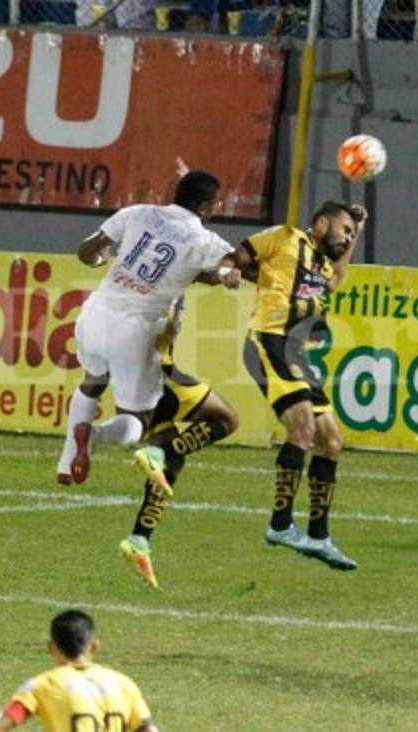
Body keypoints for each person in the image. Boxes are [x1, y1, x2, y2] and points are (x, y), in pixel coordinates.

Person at [53, 171, 240, 491]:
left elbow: (87, 251)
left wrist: (104, 256)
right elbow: (228, 266)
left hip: (95, 315)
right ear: (208, 206)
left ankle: (67, 463)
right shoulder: (203, 240)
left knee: (92, 382)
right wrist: (228, 276)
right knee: (138, 423)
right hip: (134, 332)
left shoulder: (137, 212)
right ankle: (94, 435)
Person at [232, 200, 366, 571]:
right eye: (343, 230)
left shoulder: (323, 267)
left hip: (298, 354)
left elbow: (338, 275)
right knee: (303, 428)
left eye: (350, 235)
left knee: (331, 442)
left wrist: (358, 230)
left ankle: (319, 535)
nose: (346, 238)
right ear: (321, 223)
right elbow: (238, 257)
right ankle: (280, 525)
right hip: (268, 339)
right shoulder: (284, 237)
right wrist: (230, 271)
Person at [118, 296, 241, 590]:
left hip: (134, 386)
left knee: (171, 464)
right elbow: (160, 328)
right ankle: (158, 451)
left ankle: (139, 540)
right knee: (227, 419)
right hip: (161, 378)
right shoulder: (164, 281)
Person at [0, 610, 159, 732]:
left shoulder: (42, 685)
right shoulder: (124, 684)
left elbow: (1, 726)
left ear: (51, 647)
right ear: (93, 646)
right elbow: (148, 729)